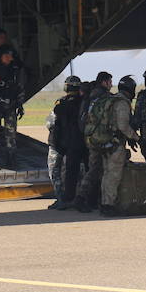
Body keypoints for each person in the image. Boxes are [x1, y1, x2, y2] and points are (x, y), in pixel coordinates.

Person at [79, 75, 140, 216]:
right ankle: (108, 205)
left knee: (106, 174)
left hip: (103, 142)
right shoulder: (122, 103)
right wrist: (136, 138)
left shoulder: (109, 100)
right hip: (115, 144)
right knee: (113, 175)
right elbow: (123, 126)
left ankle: (104, 202)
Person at [75, 72, 112, 211]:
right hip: (102, 138)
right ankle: (84, 198)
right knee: (98, 170)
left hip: (90, 137)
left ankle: (90, 200)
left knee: (95, 169)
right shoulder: (104, 97)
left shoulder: (89, 96)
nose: (111, 85)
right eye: (109, 82)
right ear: (104, 82)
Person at [49, 75, 86, 210]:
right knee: (84, 171)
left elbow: (52, 123)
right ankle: (83, 198)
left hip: (65, 144)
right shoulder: (84, 102)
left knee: (64, 172)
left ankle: (65, 198)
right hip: (82, 142)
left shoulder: (61, 104)